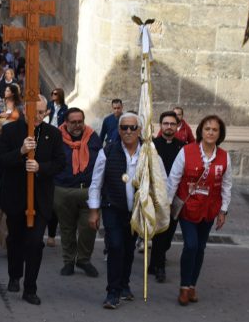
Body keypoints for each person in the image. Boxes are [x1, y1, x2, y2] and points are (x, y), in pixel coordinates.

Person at [0, 95, 66, 305]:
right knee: (15, 240)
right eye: (34, 112)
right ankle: (14, 274)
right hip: (15, 196)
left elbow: (60, 163)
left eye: (42, 112)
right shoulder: (10, 130)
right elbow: (1, 160)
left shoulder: (52, 134)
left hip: (40, 199)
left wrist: (40, 168)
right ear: (25, 110)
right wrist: (21, 152)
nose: (37, 116)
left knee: (35, 243)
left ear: (47, 112)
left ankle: (30, 288)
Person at [167, 114, 232, 306]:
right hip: (188, 207)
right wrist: (167, 204)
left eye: (215, 130)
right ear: (201, 131)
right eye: (207, 129)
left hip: (209, 209)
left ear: (219, 134)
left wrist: (223, 211)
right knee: (191, 246)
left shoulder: (224, 157)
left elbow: (227, 186)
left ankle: (192, 286)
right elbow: (173, 179)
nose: (211, 132)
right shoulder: (186, 151)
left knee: (201, 248)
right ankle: (184, 287)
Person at [88, 112, 145, 309]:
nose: (128, 131)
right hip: (113, 207)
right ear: (118, 130)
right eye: (124, 128)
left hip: (136, 211)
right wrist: (94, 210)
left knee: (129, 249)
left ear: (139, 130)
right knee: (115, 247)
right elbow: (96, 182)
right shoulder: (108, 150)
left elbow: (160, 181)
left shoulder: (149, 153)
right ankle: (112, 292)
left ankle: (124, 285)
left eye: (132, 127)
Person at [54, 108, 101, 277]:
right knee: (67, 229)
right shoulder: (56, 137)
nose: (77, 125)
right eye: (73, 122)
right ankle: (68, 262)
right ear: (65, 122)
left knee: (89, 228)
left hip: (88, 191)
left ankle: (84, 259)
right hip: (63, 190)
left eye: (80, 121)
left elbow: (101, 161)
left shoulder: (93, 137)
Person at [149, 110, 185, 283]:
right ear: (160, 125)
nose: (169, 127)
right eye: (166, 123)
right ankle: (159, 266)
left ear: (177, 126)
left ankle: (155, 260)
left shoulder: (183, 147)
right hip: (156, 195)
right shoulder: (152, 145)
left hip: (174, 198)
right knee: (158, 232)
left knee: (168, 233)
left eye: (172, 124)